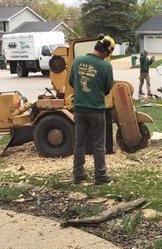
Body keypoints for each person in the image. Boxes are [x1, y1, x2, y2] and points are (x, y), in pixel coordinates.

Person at [69, 34, 115, 185]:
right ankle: (100, 175)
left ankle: (78, 175)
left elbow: (71, 82)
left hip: (80, 109)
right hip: (96, 110)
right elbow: (108, 88)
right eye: (108, 54)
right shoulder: (106, 66)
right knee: (99, 144)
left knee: (79, 143)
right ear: (106, 52)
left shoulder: (77, 61)